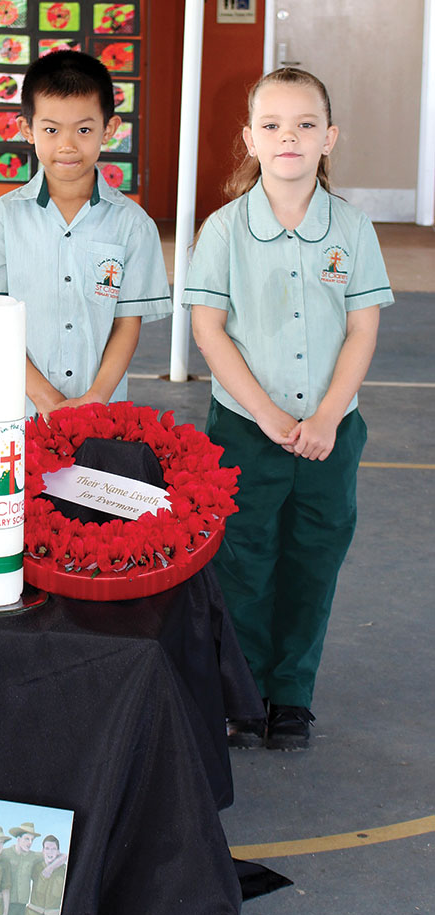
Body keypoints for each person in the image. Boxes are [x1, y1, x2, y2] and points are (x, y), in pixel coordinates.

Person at [183, 68, 394, 750]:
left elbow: (362, 327)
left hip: (332, 433)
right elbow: (209, 329)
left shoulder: (353, 229)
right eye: (271, 125)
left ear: (328, 137)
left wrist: (329, 415)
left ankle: (292, 695)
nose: (289, 137)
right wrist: (268, 416)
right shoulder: (223, 231)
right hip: (247, 429)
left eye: (305, 124)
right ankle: (241, 696)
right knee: (242, 560)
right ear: (249, 138)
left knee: (314, 557)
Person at [0, 50, 171, 419]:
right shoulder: (1, 220)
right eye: (51, 129)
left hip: (101, 413)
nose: (67, 145)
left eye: (84, 129)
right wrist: (47, 400)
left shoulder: (133, 225)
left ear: (109, 129)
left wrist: (96, 398)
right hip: (18, 413)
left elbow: (126, 323)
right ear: (27, 129)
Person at [22, 835, 67, 915]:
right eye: (47, 848)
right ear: (43, 851)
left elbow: (67, 856)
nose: (50, 852)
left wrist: (51, 867)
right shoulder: (36, 867)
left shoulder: (64, 871)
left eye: (53, 849)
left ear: (58, 851)